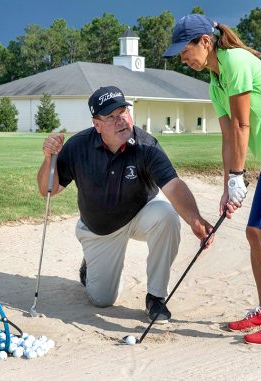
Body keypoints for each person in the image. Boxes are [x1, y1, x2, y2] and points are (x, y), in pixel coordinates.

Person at [164, 14, 261, 345]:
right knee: (253, 233)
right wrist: (227, 188)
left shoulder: (234, 61)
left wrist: (238, 175)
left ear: (205, 42)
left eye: (185, 50)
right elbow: (227, 138)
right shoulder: (214, 82)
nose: (182, 57)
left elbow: (241, 126)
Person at [38, 85, 213, 323]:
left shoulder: (146, 146)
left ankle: (156, 297)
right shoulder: (78, 147)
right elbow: (49, 189)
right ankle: (90, 266)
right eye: (111, 117)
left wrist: (195, 220)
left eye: (123, 112)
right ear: (97, 124)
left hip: (140, 215)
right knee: (103, 300)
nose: (120, 120)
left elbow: (173, 185)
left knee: (167, 215)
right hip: (100, 229)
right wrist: (50, 158)